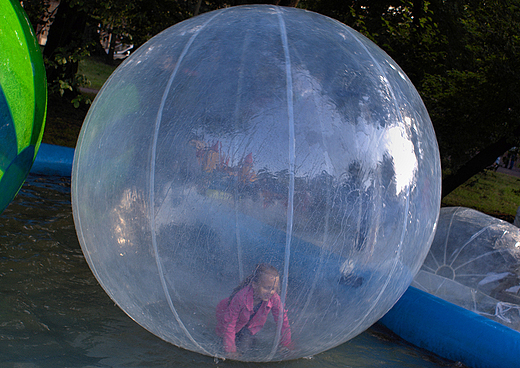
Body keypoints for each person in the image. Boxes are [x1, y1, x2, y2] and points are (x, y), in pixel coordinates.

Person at [215, 263, 292, 358]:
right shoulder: (241, 298)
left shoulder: (274, 297)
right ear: (254, 285)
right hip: (225, 316)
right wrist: (230, 350)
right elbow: (229, 323)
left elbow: (282, 321)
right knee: (221, 343)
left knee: (246, 348)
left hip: (247, 324)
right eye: (266, 288)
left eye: (273, 289)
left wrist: (286, 344)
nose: (270, 292)